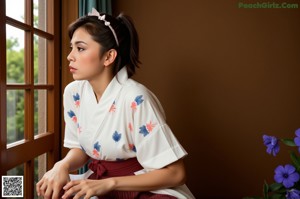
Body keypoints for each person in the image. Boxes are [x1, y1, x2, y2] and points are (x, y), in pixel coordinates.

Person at [36, 8, 195, 199]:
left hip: (142, 184)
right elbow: (80, 148)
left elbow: (176, 173)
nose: (70, 56)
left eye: (80, 48)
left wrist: (110, 183)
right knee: (49, 189)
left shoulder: (136, 97)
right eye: (71, 48)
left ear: (109, 57)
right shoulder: (73, 92)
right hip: (97, 181)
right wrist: (62, 165)